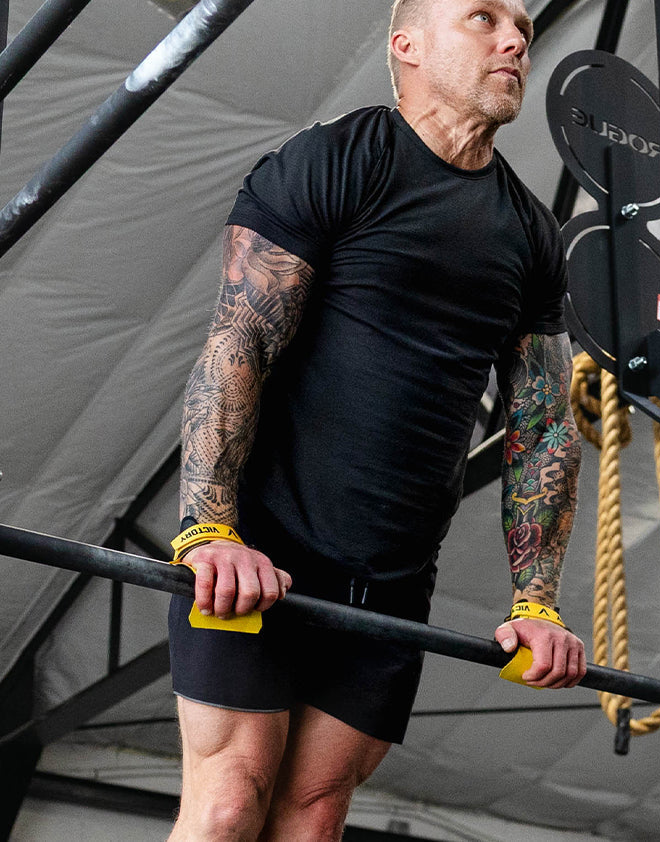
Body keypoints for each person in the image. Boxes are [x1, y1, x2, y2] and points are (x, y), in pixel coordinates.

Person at [167, 0, 586, 839]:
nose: (515, 38)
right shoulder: (334, 162)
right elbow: (240, 341)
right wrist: (208, 529)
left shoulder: (530, 233)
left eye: (523, 28)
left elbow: (542, 425)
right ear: (408, 46)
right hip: (261, 549)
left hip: (391, 582)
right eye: (483, 18)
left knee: (314, 818)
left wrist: (537, 603)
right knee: (229, 802)